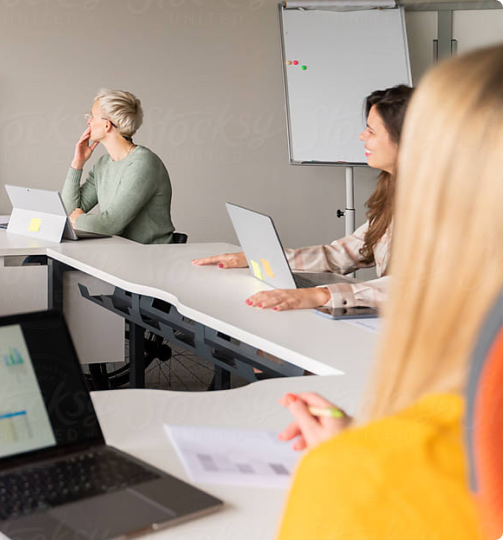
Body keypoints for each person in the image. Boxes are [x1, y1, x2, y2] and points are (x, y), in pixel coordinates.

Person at [275, 45, 503, 539]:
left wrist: (359, 457)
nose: (361, 137)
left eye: (372, 129)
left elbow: (420, 282)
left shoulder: (356, 479)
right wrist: (274, 259)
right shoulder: (391, 194)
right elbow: (348, 252)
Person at [192, 85, 413, 311]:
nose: (361, 136)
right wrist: (262, 259)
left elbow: (420, 287)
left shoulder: (444, 207)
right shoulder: (396, 194)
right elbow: (342, 254)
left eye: (371, 131)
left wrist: (321, 295)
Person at [62, 89, 174, 245]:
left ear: (107, 124)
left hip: (149, 257)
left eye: (92, 116)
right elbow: (68, 213)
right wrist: (77, 164)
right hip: (118, 253)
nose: (88, 121)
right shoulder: (103, 164)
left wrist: (79, 219)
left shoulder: (143, 163)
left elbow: (110, 225)